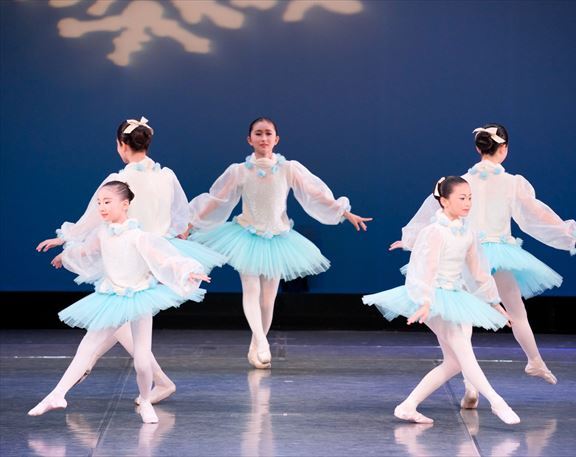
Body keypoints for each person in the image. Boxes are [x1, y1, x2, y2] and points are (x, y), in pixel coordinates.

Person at [391, 124, 576, 407]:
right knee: (516, 312)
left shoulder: (461, 183)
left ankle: (471, 386)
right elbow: (537, 215)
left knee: (463, 319)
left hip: (465, 252)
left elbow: (433, 209)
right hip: (499, 253)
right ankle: (534, 360)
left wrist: (408, 239)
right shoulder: (512, 183)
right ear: (504, 149)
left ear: (478, 148)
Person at [36, 116, 225, 403]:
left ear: (122, 145)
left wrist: (65, 238)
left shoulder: (119, 180)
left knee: (119, 316)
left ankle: (93, 369)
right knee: (123, 319)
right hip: (157, 250)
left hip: (130, 253)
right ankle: (153, 379)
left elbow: (93, 217)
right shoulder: (166, 175)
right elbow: (180, 217)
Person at [186, 117, 372, 368]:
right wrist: (191, 223)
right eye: (258, 133)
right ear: (249, 139)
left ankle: (255, 345)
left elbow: (315, 194)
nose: (263, 138)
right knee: (251, 290)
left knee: (267, 299)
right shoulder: (239, 171)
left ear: (277, 139)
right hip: (246, 236)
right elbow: (216, 200)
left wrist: (344, 212)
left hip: (278, 238)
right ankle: (262, 343)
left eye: (268, 133)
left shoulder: (288, 168)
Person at [29, 181, 210, 423]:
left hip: (138, 298)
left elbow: (163, 259)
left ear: (125, 204)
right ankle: (57, 394)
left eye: (107, 202)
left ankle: (146, 400)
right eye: (99, 203)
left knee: (142, 361)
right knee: (86, 348)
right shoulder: (102, 233)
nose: (102, 207)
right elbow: (84, 251)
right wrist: (64, 254)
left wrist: (187, 270)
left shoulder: (138, 236)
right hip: (111, 298)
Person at [364, 176, 520, 425]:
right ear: (444, 201)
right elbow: (424, 269)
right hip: (434, 298)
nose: (468, 203)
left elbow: (479, 272)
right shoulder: (434, 232)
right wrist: (426, 301)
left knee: (454, 363)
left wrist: (494, 303)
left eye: (470, 198)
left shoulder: (467, 232)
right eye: (462, 198)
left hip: (456, 296)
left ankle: (407, 406)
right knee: (464, 352)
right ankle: (497, 402)